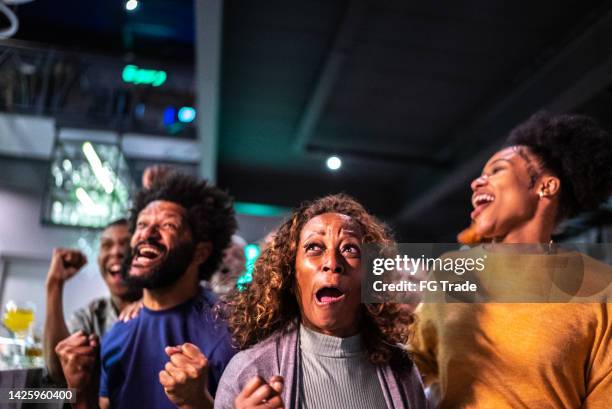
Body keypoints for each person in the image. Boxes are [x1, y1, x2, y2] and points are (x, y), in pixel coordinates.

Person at [410, 112, 612, 408]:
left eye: (497, 170)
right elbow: (415, 369)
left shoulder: (600, 286)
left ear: (546, 187)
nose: (477, 182)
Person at [215, 194, 427, 409]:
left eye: (350, 249)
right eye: (314, 247)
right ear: (290, 272)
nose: (332, 262)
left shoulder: (402, 369)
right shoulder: (249, 372)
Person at [55, 172, 238, 409]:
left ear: (200, 253)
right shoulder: (117, 333)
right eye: (142, 224)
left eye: (167, 225)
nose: (147, 233)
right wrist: (79, 393)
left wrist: (198, 403)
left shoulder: (227, 331)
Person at [43, 218, 142, 385]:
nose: (116, 251)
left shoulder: (163, 310)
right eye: (106, 245)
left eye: (126, 244)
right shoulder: (92, 315)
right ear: (98, 260)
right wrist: (54, 286)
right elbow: (59, 373)